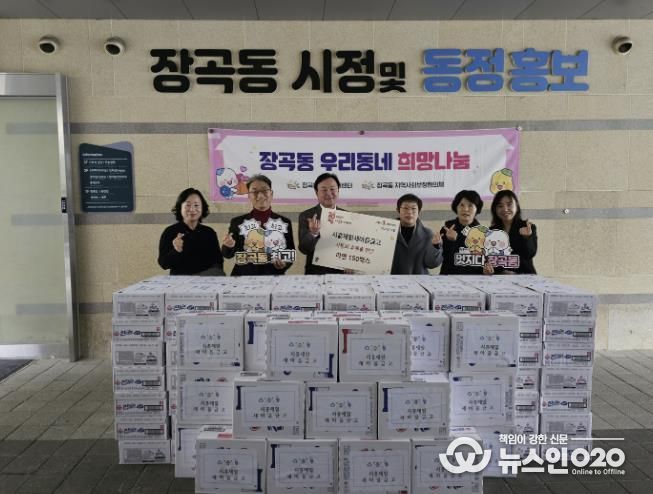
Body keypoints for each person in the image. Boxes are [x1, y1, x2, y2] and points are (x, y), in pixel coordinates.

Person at [222, 174, 295, 276]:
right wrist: (228, 246)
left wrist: (284, 263)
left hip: (273, 276)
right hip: (243, 278)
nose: (260, 195)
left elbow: (290, 252)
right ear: (249, 195)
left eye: (264, 190)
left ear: (271, 194)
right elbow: (227, 255)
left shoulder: (284, 222)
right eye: (255, 191)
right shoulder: (237, 222)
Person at [158, 188, 225, 275]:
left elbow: (218, 261)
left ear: (202, 208)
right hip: (180, 281)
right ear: (180, 208)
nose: (192, 209)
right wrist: (176, 251)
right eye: (188, 205)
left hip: (206, 280)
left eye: (196, 205)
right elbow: (163, 264)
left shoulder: (209, 232)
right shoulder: (170, 231)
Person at [298, 173, 347, 275]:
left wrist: (352, 264)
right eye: (324, 190)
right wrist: (313, 233)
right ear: (316, 193)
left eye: (332, 189)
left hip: (341, 273)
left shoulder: (347, 216)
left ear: (338, 190)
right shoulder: (306, 215)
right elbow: (304, 249)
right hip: (315, 273)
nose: (329, 193)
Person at [484, 189, 537, 274]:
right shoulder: (491, 231)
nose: (505, 209)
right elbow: (490, 258)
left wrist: (527, 238)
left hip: (524, 276)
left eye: (509, 205)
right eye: (500, 206)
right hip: (499, 277)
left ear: (516, 206)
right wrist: (489, 269)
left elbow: (530, 254)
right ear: (495, 209)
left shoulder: (527, 227)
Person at [391, 193, 442, 274]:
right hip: (392, 279)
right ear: (398, 210)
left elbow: (432, 264)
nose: (409, 212)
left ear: (419, 211)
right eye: (405, 208)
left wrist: (435, 246)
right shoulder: (387, 231)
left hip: (419, 280)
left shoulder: (428, 234)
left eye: (413, 208)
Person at [439, 189, 485, 275]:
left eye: (470, 205)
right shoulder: (446, 229)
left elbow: (484, 263)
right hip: (448, 277)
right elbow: (440, 258)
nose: (465, 209)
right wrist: (450, 242)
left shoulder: (483, 233)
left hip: (475, 278)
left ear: (477, 209)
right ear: (456, 207)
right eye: (461, 205)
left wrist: (487, 269)